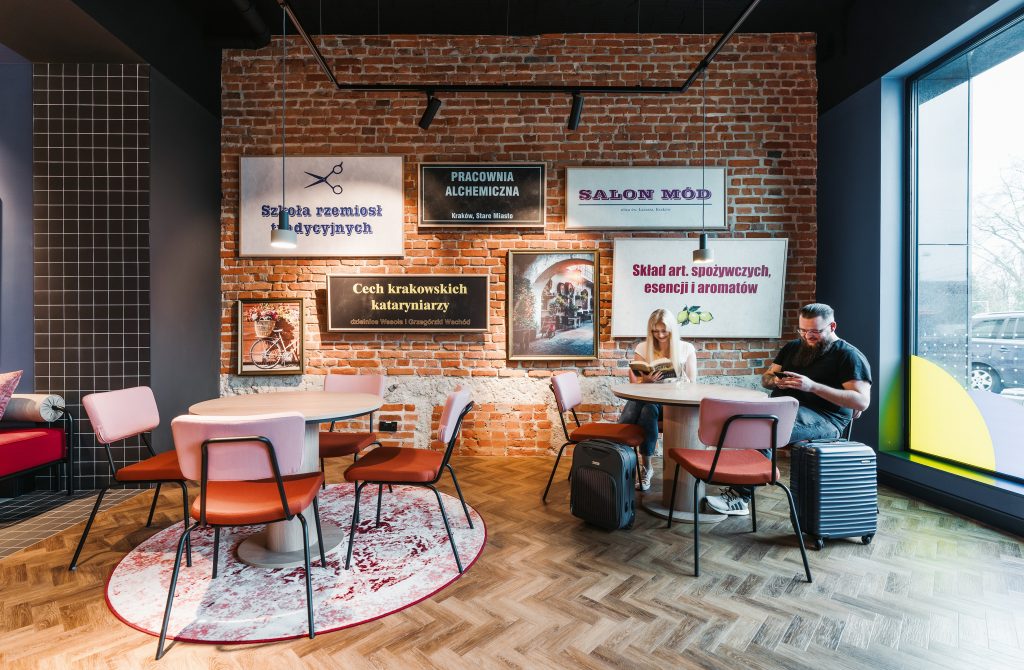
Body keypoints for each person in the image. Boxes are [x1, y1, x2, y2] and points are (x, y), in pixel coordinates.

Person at [705, 303, 872, 515]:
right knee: (746, 420)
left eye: (815, 331)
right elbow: (766, 378)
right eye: (803, 330)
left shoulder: (848, 356)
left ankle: (740, 497)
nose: (808, 336)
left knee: (765, 429)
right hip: (783, 409)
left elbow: (861, 401)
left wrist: (812, 387)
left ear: (832, 326)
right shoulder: (793, 347)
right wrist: (776, 381)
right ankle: (736, 485)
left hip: (826, 419)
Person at [619, 308, 698, 491]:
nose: (660, 335)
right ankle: (647, 468)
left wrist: (681, 378)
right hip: (649, 402)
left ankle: (617, 441)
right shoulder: (642, 348)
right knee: (648, 409)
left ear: (672, 329)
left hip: (674, 404)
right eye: (655, 331)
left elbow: (693, 384)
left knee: (648, 407)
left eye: (664, 330)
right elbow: (634, 385)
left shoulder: (686, 348)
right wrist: (645, 380)